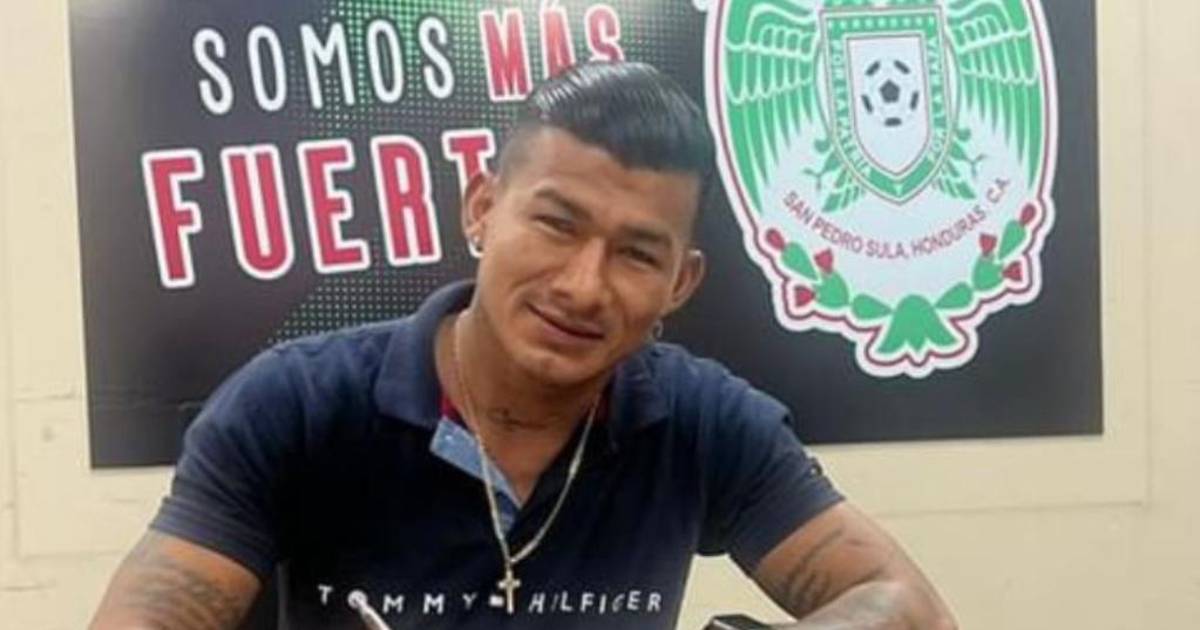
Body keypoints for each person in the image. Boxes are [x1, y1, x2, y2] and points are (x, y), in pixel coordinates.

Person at [90, 61, 957, 630]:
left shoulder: (704, 421)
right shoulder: (298, 405)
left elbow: (905, 606)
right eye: (556, 223)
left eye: (637, 254)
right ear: (482, 210)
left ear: (680, 283)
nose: (583, 284)